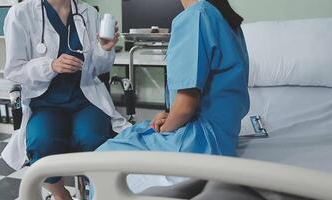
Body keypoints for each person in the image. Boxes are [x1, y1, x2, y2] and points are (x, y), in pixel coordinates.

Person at [94, 0, 250, 192]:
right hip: (223, 139)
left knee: (101, 158)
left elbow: (185, 106)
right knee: (133, 133)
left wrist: (166, 128)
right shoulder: (224, 17)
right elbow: (210, 92)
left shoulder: (196, 17)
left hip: (198, 143)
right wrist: (171, 115)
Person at [2, 0, 130, 199]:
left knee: (92, 138)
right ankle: (62, 195)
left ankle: (99, 192)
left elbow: (99, 68)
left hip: (86, 98)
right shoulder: (20, 13)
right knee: (41, 142)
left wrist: (105, 49)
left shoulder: (88, 12)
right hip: (45, 103)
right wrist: (50, 66)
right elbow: (14, 70)